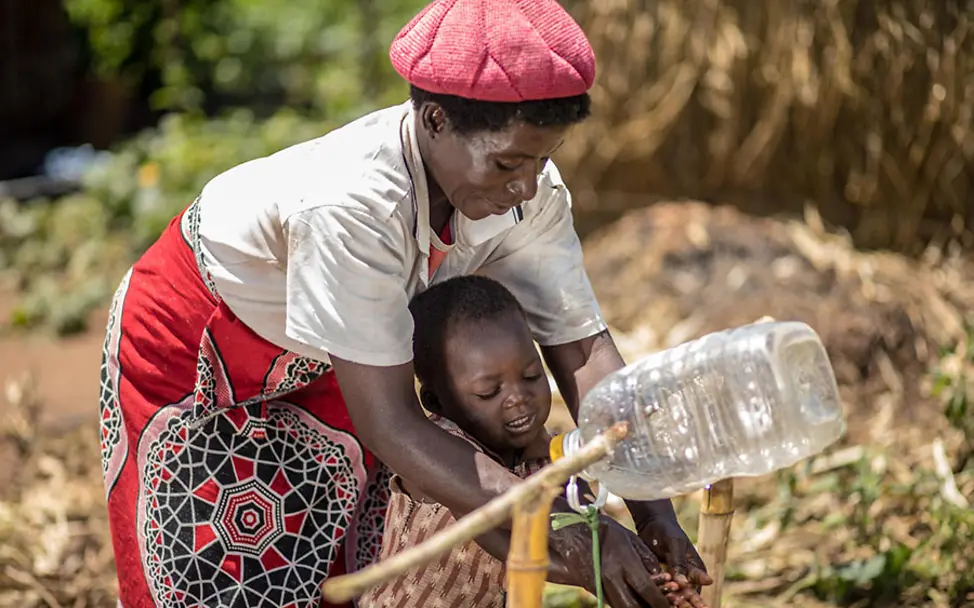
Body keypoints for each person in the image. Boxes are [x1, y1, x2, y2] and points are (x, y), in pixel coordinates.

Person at [97, 0, 710, 606]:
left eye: (543, 158)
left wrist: (655, 512)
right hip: (193, 352)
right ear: (436, 120)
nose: (525, 185)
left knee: (337, 562)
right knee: (218, 565)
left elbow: (581, 348)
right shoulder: (354, 204)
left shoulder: (529, 193)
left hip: (345, 360)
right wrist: (566, 527)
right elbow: (390, 423)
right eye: (506, 163)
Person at [360, 275, 708, 608]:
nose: (518, 398)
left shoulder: (547, 456)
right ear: (437, 402)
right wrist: (602, 567)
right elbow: (507, 543)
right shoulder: (441, 454)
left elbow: (585, 521)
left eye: (530, 376)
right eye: (489, 392)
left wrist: (655, 571)